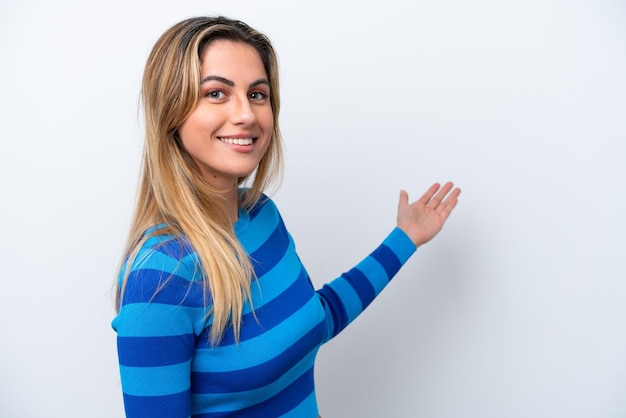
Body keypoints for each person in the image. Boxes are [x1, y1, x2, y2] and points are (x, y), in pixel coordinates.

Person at [112, 16, 461, 418]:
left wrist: (405, 237)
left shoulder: (261, 215)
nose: (246, 114)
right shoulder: (160, 276)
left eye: (257, 94)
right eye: (216, 93)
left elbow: (317, 318)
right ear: (171, 112)